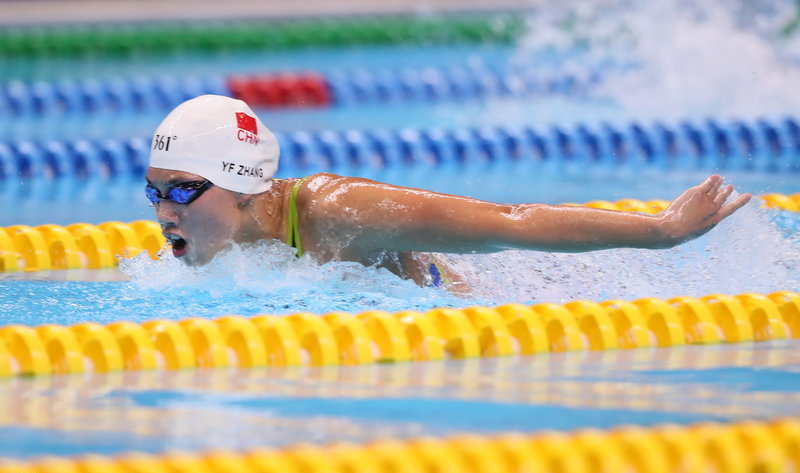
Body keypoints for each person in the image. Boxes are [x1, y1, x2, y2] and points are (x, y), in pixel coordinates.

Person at [146, 95, 751, 289]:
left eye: (180, 192)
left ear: (246, 187)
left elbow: (508, 220)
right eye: (154, 193)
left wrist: (662, 232)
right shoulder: (228, 248)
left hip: (483, 314)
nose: (163, 212)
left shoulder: (338, 211)